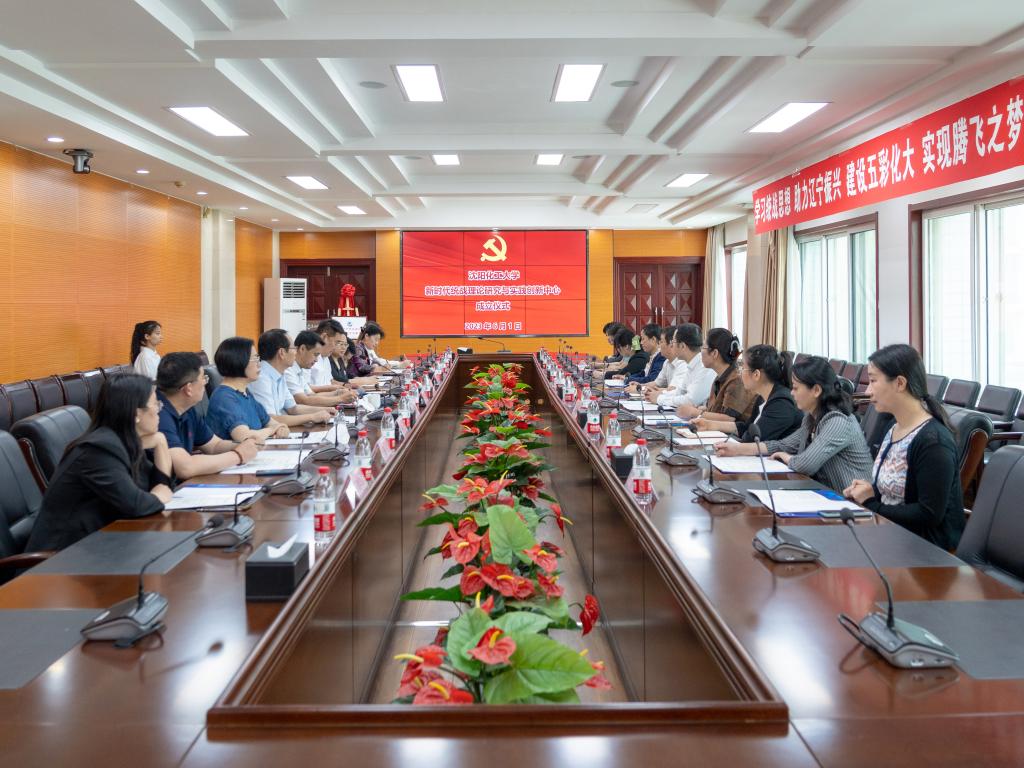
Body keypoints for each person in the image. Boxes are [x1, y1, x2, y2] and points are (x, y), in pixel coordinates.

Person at [25, 374, 174, 552]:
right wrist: (158, 497)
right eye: (156, 404)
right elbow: (137, 504)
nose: (159, 410)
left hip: (99, 545)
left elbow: (159, 487)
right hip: (61, 557)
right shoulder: (99, 451)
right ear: (136, 414)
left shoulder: (123, 441)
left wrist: (161, 442)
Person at [843, 344, 965, 550]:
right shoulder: (893, 427)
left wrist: (871, 504)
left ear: (899, 383)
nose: (868, 391)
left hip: (923, 549)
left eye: (873, 381)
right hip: (889, 534)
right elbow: (894, 494)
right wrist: (868, 491)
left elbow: (928, 514)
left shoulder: (933, 441)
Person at [715, 356, 872, 492]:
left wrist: (786, 457)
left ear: (816, 390)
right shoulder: (811, 418)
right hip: (824, 495)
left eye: (796, 388)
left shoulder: (838, 421)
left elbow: (806, 464)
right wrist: (737, 449)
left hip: (852, 505)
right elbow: (783, 445)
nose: (791, 392)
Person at [155, 352, 259, 480]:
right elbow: (185, 467)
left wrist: (244, 445)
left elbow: (214, 445)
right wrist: (238, 455)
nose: (205, 382)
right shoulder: (158, 415)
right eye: (203, 378)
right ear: (188, 388)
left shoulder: (187, 408)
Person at [694, 344, 801, 442]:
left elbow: (752, 439)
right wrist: (710, 425)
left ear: (756, 375)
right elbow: (747, 427)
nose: (740, 373)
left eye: (743, 368)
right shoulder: (762, 397)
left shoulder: (781, 403)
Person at [207, 336, 290, 442]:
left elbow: (272, 423)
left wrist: (281, 428)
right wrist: (271, 430)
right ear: (238, 361)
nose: (259, 364)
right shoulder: (224, 398)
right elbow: (244, 436)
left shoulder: (245, 393)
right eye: (255, 359)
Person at [250, 329, 336, 428]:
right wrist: (312, 417)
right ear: (282, 352)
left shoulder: (279, 374)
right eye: (293, 348)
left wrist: (326, 410)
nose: (296, 352)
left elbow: (293, 408)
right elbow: (270, 419)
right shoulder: (260, 377)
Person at [676, 328, 754, 423]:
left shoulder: (736, 380)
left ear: (714, 353)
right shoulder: (720, 377)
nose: (700, 352)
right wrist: (702, 409)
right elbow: (717, 410)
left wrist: (695, 412)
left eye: (703, 347)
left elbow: (729, 418)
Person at [647, 324, 715, 409]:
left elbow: (691, 401)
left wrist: (659, 399)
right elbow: (680, 392)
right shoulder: (691, 364)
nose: (672, 345)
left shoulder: (704, 366)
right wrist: (660, 394)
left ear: (682, 346)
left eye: (673, 342)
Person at [285, 330, 357, 407]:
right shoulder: (288, 370)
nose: (316, 360)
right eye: (315, 355)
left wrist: (337, 393)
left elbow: (311, 395)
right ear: (302, 349)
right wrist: (340, 398)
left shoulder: (299, 370)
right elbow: (304, 400)